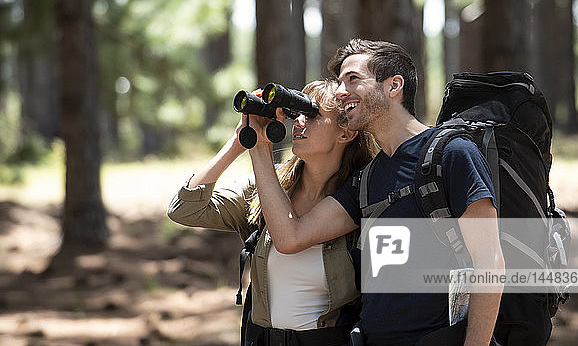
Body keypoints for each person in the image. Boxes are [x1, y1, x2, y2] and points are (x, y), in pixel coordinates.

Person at [247, 39, 505, 346]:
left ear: (394, 86)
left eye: (353, 79)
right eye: (340, 82)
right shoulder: (366, 179)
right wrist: (260, 148)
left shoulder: (452, 154)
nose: (341, 92)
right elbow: (290, 237)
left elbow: (490, 262)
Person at [167, 79, 379, 345]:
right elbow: (184, 209)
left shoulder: (360, 199)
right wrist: (238, 142)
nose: (299, 122)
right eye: (297, 113)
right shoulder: (267, 188)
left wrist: (261, 153)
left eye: (312, 115)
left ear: (345, 134)